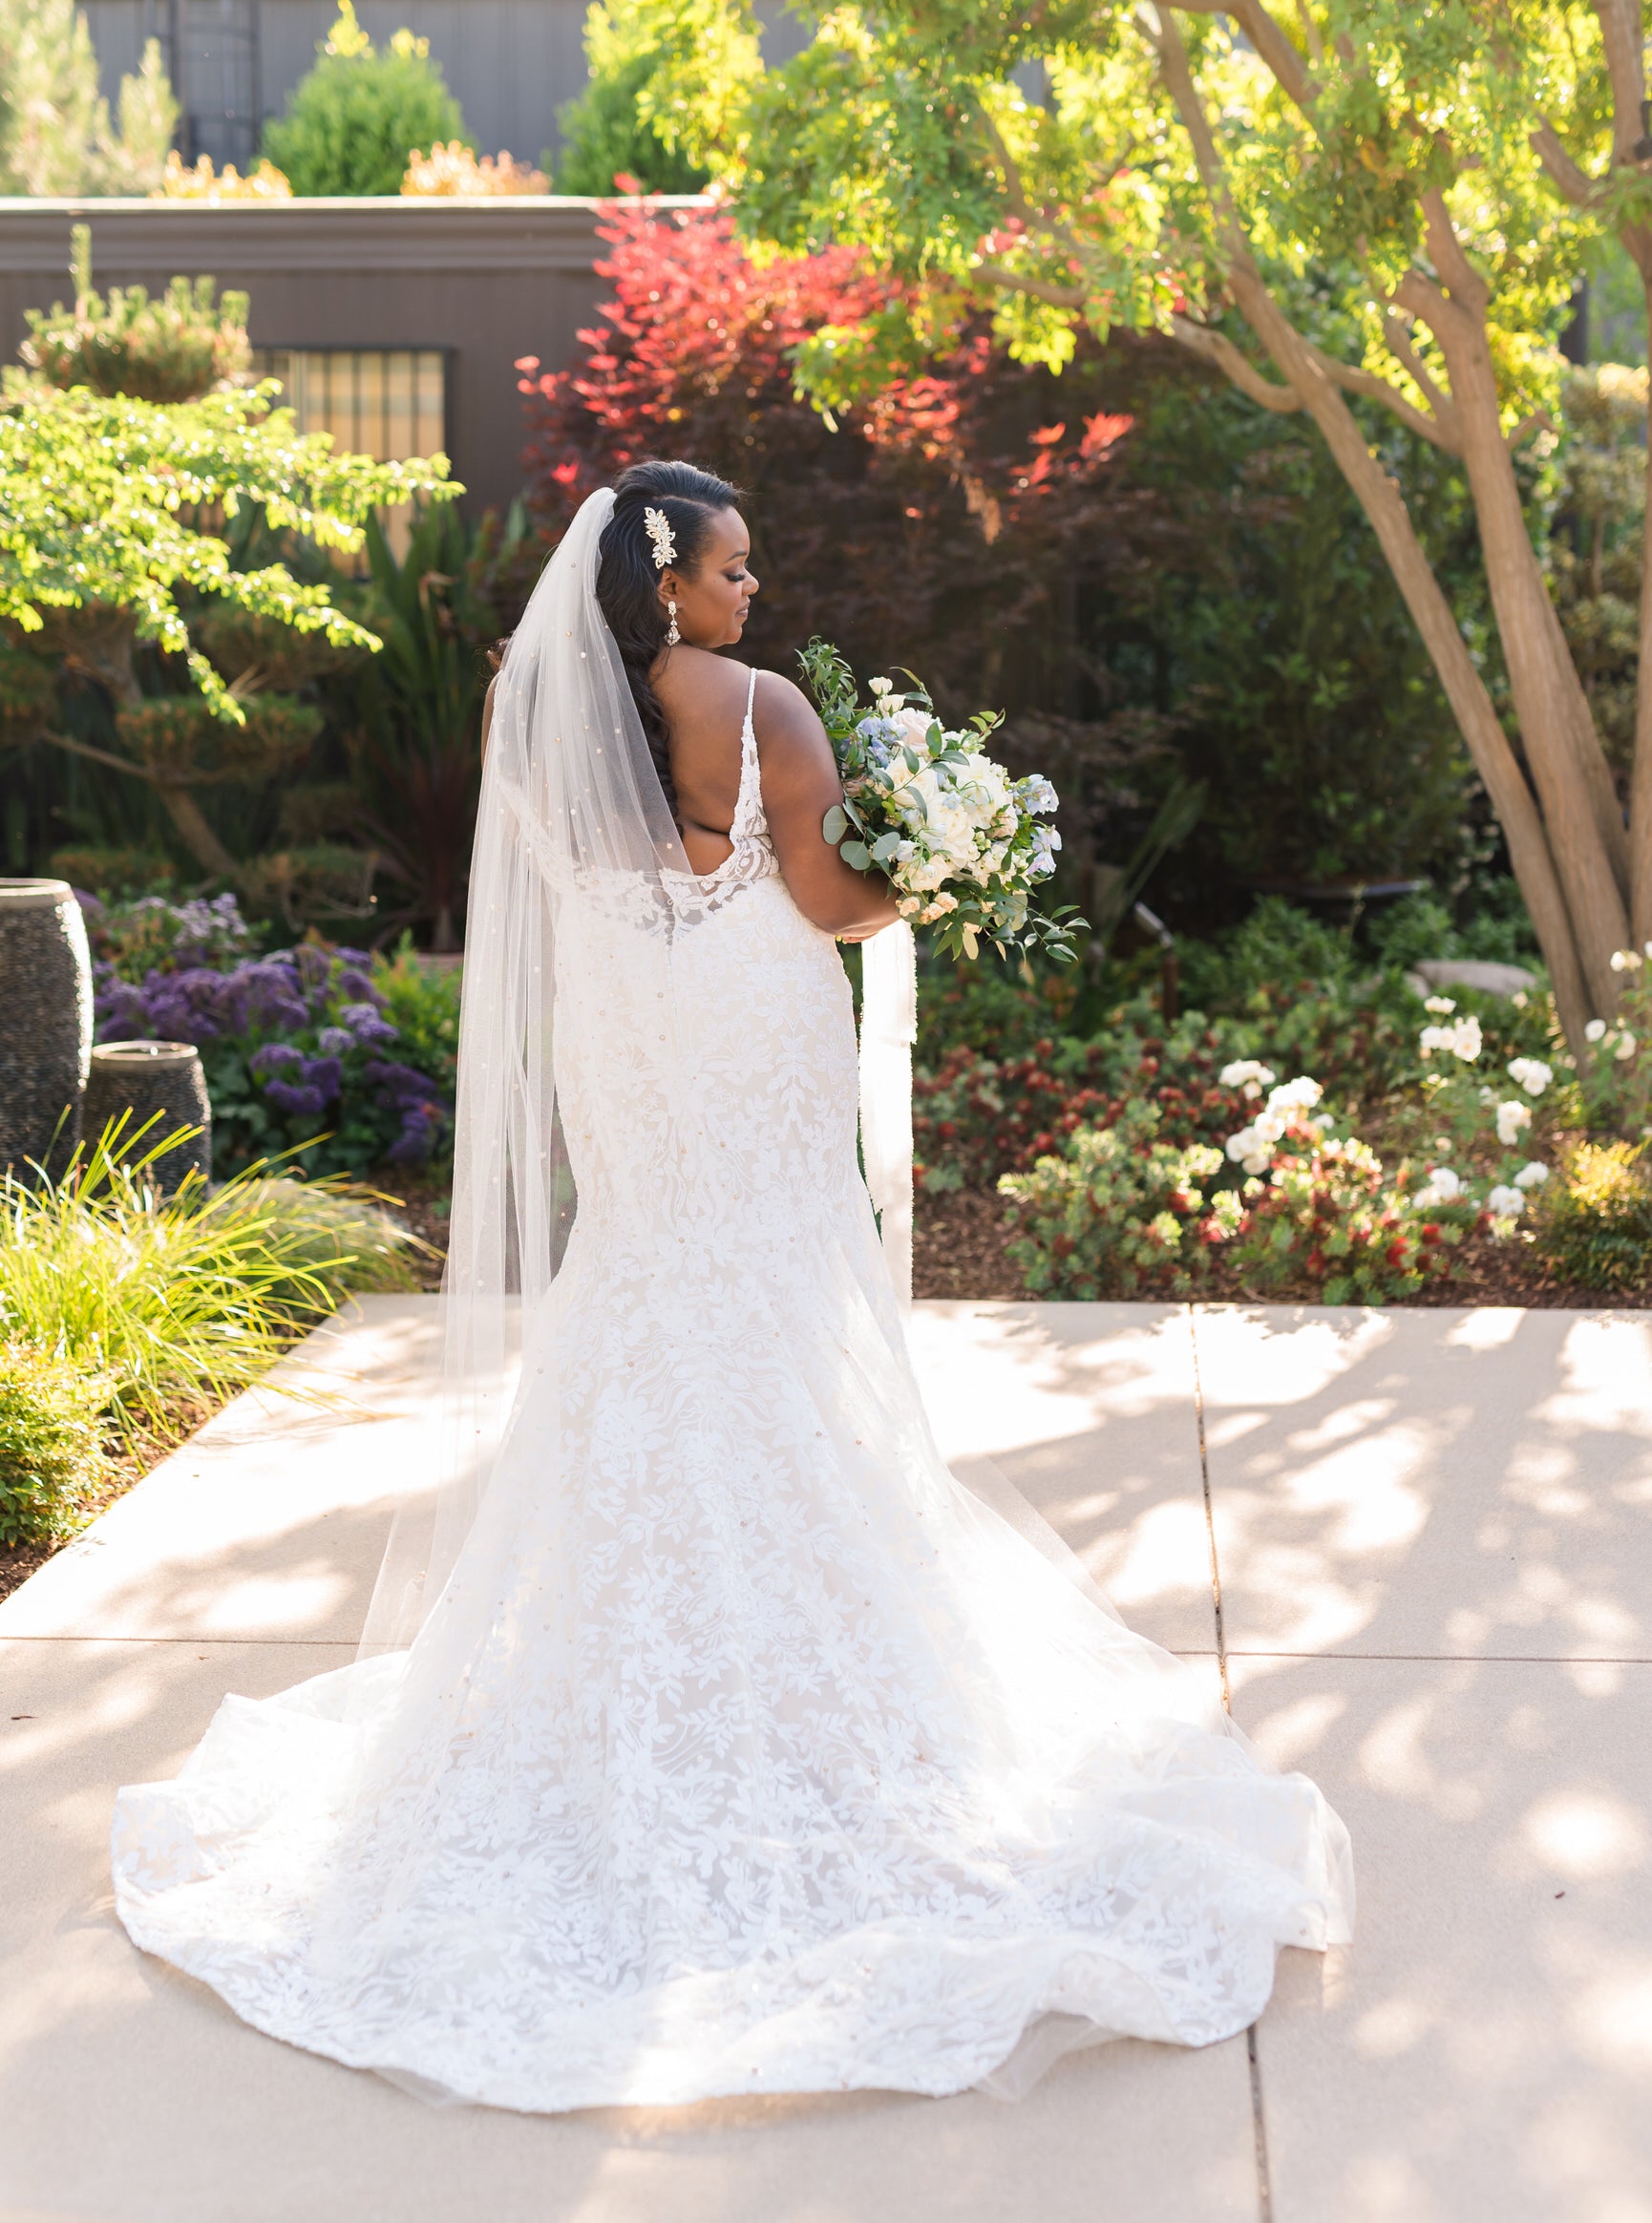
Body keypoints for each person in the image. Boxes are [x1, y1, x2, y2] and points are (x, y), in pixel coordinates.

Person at [112, 461, 1351, 2113]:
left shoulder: (525, 704)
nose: (754, 592)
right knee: (775, 1310)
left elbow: (563, 887)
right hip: (751, 1043)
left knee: (640, 1296)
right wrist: (942, 869)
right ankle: (803, 1670)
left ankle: (621, 1651)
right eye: (735, 566)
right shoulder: (761, 707)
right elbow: (828, 904)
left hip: (624, 1054)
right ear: (670, 580)